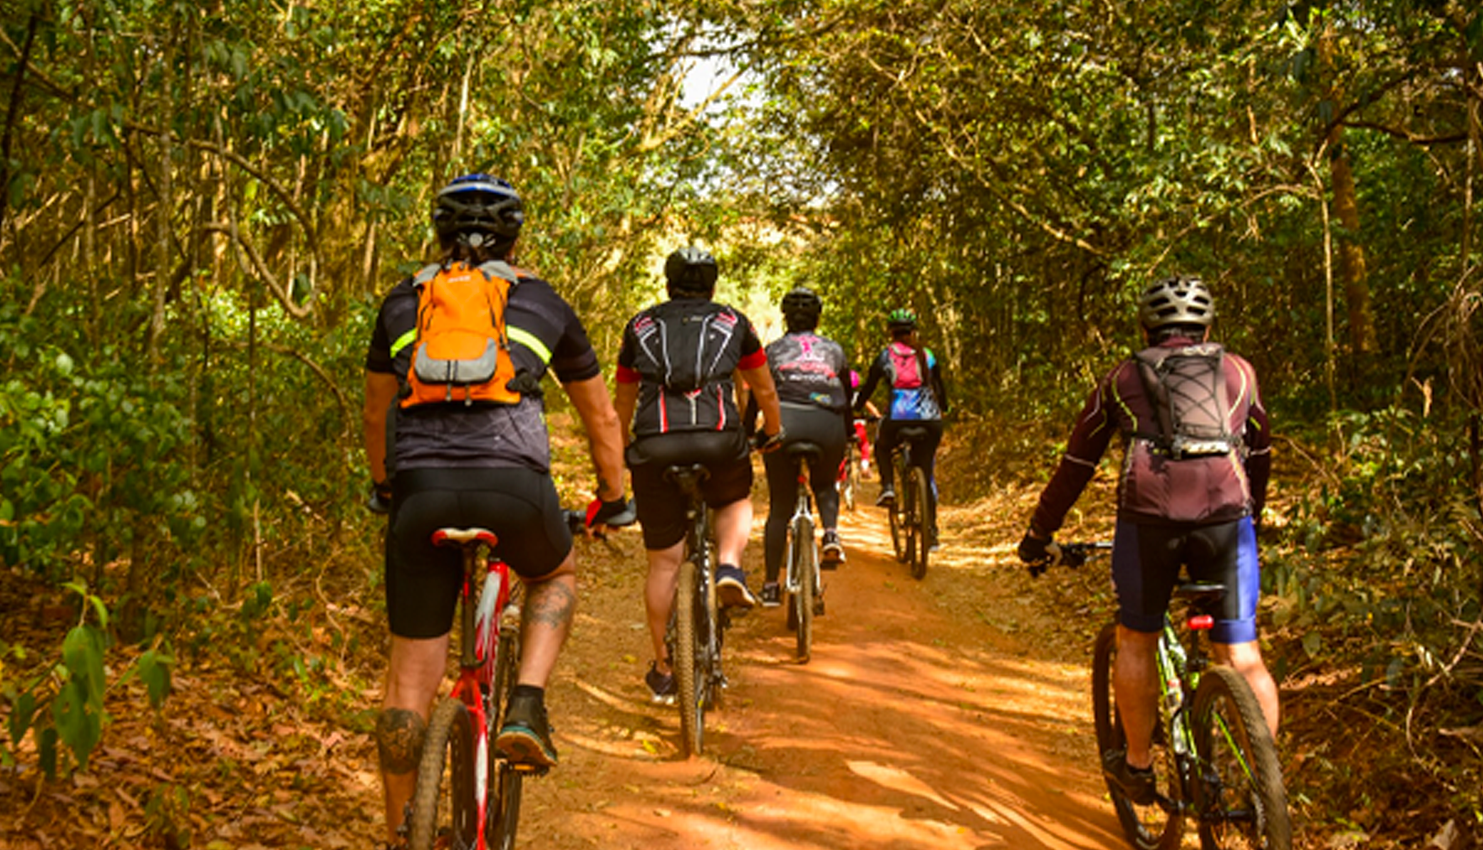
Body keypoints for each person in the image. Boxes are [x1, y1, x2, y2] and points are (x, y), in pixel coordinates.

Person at [363, 174, 630, 846]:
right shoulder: (543, 304)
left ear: (437, 232)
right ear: (515, 236)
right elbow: (599, 416)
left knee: (407, 689)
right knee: (555, 573)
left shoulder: (402, 303)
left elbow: (376, 416)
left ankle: (404, 832)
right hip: (513, 490)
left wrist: (386, 489)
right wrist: (614, 497)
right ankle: (526, 706)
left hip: (420, 493)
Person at [1015, 274, 1277, 807]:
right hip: (1228, 524)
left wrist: (1040, 533)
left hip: (1149, 521)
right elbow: (1262, 454)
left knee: (1137, 637)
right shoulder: (1240, 373)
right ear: (1207, 325)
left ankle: (1138, 765)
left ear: (1146, 326)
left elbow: (1076, 465)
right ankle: (1263, 787)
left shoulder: (1121, 379)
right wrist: (1255, 517)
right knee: (1243, 652)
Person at [612, 246, 783, 702]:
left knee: (664, 563)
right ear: (712, 286)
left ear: (668, 284)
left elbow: (623, 403)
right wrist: (773, 431)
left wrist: (621, 451)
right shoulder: (735, 323)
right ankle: (729, 565)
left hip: (655, 445)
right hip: (719, 439)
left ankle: (665, 669)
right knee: (734, 498)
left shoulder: (640, 326)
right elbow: (763, 388)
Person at [750, 287, 852, 608]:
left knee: (780, 505)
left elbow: (758, 394)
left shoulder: (773, 349)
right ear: (817, 318)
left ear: (785, 317)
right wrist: (846, 434)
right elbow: (846, 397)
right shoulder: (834, 351)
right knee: (824, 485)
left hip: (785, 424)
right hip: (827, 424)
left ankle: (769, 586)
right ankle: (831, 534)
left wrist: (748, 432)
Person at [853, 307, 949, 546]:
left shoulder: (886, 356)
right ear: (913, 332)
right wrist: (943, 410)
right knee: (926, 475)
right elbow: (940, 389)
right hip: (930, 420)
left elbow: (868, 388)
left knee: (882, 447)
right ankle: (932, 533)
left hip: (897, 418)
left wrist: (858, 407)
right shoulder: (927, 355)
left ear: (891, 333)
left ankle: (887, 487)